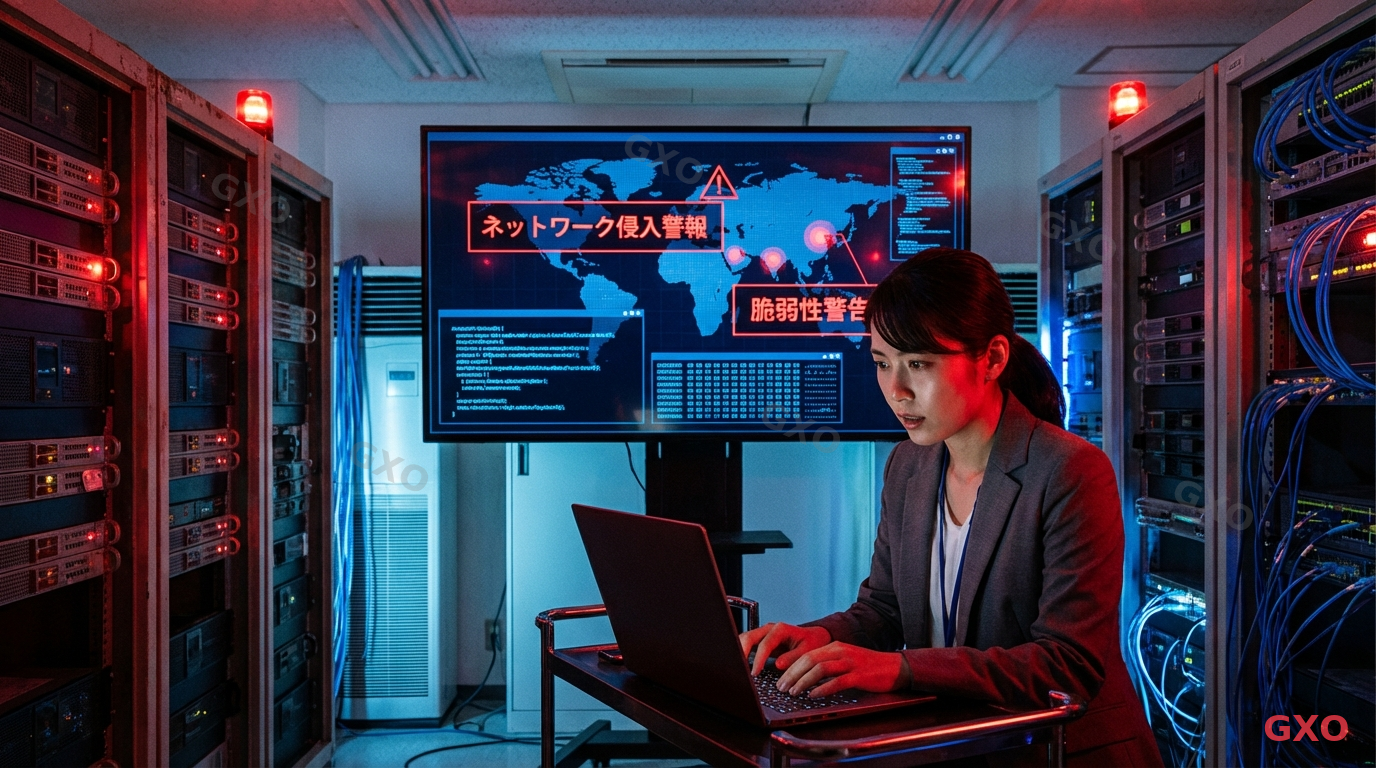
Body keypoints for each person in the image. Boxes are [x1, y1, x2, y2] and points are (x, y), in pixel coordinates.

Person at [739, 248, 1162, 767]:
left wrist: (898, 671)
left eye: (918, 364)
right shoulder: (907, 466)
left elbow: (1066, 664)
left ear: (993, 359)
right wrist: (817, 637)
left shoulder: (1070, 471)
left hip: (1062, 752)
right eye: (882, 363)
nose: (896, 391)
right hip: (960, 744)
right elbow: (884, 609)